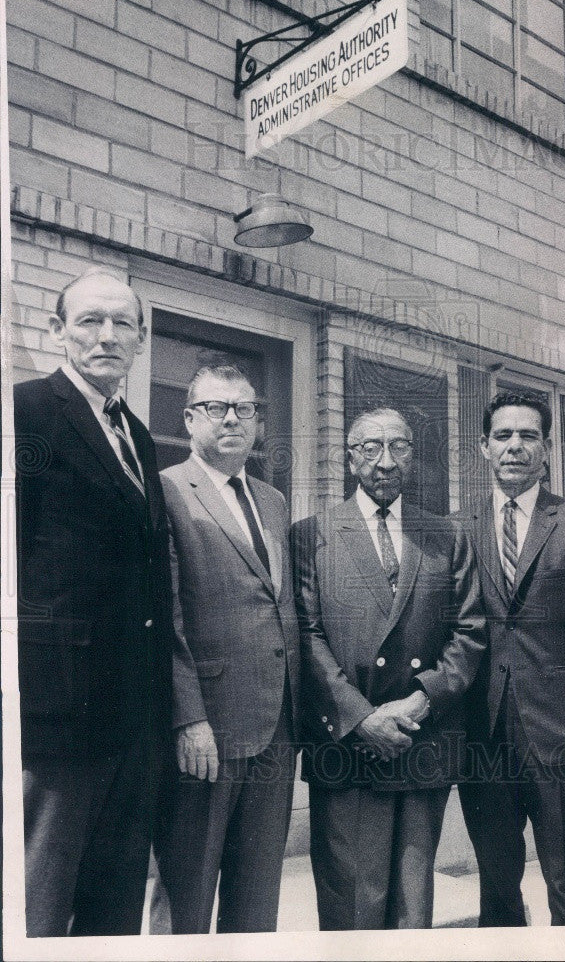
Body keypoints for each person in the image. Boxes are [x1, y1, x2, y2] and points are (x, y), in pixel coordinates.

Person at [14, 266, 173, 936]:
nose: (107, 336)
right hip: (59, 714)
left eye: (122, 324)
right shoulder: (25, 412)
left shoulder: (136, 433)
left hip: (132, 715)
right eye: (90, 321)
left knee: (112, 909)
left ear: (139, 339)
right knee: (41, 904)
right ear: (57, 331)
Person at [291, 407, 485, 930]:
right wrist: (362, 717)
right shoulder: (311, 535)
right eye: (370, 448)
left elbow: (470, 632)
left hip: (423, 739)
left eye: (398, 447)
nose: (384, 461)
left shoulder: (445, 534)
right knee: (353, 903)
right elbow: (304, 636)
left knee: (411, 905)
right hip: (348, 745)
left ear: (413, 457)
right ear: (350, 458)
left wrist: (421, 700)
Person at [456, 390, 565, 926]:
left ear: (546, 449)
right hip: (483, 730)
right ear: (483, 447)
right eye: (503, 436)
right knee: (497, 889)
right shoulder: (459, 526)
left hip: (561, 733)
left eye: (529, 437)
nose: (515, 447)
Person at [151, 364, 299, 934]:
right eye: (218, 407)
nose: (234, 419)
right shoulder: (165, 491)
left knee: (256, 904)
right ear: (190, 418)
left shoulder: (273, 500)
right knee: (186, 899)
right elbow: (166, 617)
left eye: (246, 408)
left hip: (276, 730)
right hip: (207, 731)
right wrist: (188, 718)